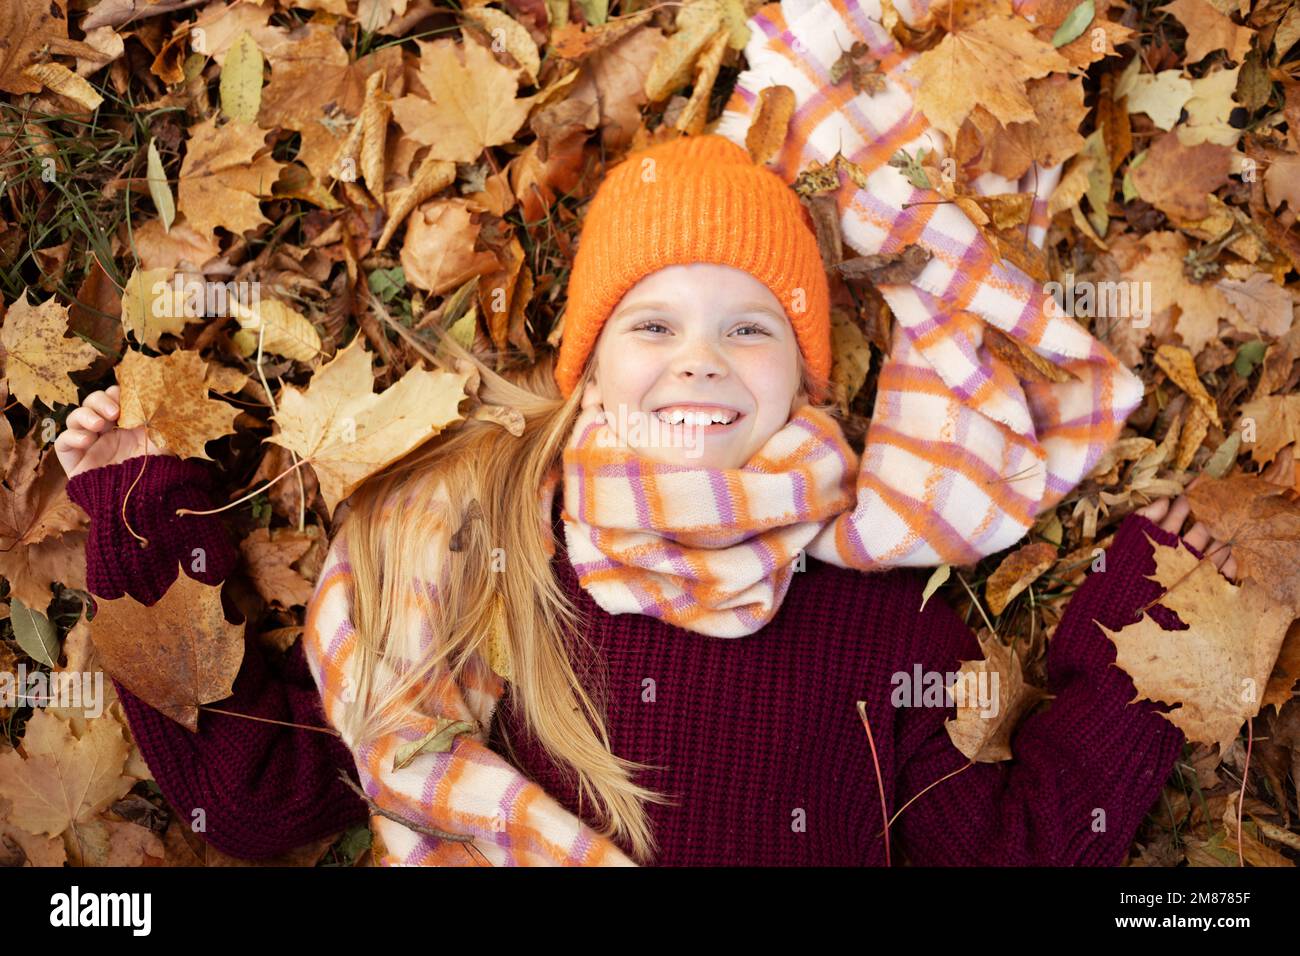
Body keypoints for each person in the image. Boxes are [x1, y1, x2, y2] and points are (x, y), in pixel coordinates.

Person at [57, 131, 1239, 866]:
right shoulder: (482, 563)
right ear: (586, 368)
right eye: (652, 323)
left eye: (750, 326)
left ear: (809, 379)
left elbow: (1015, 850)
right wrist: (143, 518)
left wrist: (1148, 633)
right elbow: (260, 799)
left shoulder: (883, 624)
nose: (700, 357)